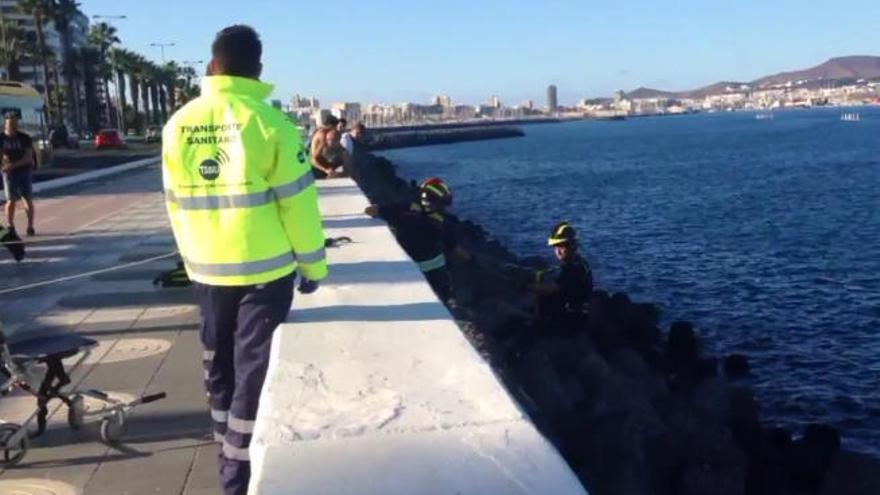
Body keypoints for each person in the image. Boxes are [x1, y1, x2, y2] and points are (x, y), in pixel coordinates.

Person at [161, 25, 327, 495]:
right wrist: (313, 267)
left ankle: (223, 449)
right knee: (253, 369)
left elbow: (173, 202)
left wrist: (191, 258)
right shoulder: (269, 122)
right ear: (257, 70)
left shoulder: (178, 124)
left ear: (211, 66)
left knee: (218, 363)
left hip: (207, 270)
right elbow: (299, 204)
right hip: (265, 271)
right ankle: (238, 476)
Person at [364, 177, 461, 304]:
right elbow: (452, 246)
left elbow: (370, 210)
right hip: (436, 272)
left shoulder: (402, 210)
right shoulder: (440, 222)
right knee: (443, 299)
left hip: (408, 269)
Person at [529, 221, 593, 335]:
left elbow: (552, 288)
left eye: (562, 246)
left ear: (572, 245)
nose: (557, 251)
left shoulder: (575, 268)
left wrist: (524, 286)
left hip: (571, 322)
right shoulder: (577, 263)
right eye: (555, 246)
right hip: (571, 317)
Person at [1, 112, 37, 236]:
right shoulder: (1, 138)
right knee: (10, 200)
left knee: (27, 198)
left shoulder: (25, 138)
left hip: (24, 171)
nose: (13, 126)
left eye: (15, 123)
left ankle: (30, 226)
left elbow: (28, 158)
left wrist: (12, 165)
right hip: (9, 173)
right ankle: (10, 226)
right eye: (10, 123)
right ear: (5, 124)